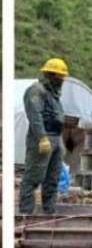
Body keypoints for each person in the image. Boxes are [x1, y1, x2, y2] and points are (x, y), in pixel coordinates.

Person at [19, 58, 69, 214]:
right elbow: (35, 116)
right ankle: (26, 213)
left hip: (55, 138)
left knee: (52, 179)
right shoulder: (36, 91)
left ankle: (49, 211)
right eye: (60, 76)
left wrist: (60, 143)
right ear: (51, 75)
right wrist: (42, 137)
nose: (62, 80)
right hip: (42, 139)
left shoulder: (53, 95)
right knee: (33, 176)